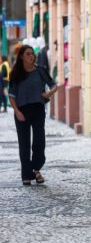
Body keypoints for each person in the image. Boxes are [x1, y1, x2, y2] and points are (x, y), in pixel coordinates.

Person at [8, 45, 57, 185]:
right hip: (21, 111)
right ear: (22, 56)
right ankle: (27, 175)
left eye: (32, 54)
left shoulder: (40, 71)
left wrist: (48, 94)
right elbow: (12, 95)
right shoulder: (16, 73)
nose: (31, 56)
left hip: (38, 110)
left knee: (39, 143)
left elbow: (54, 85)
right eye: (28, 54)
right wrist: (17, 112)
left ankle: (35, 168)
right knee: (24, 145)